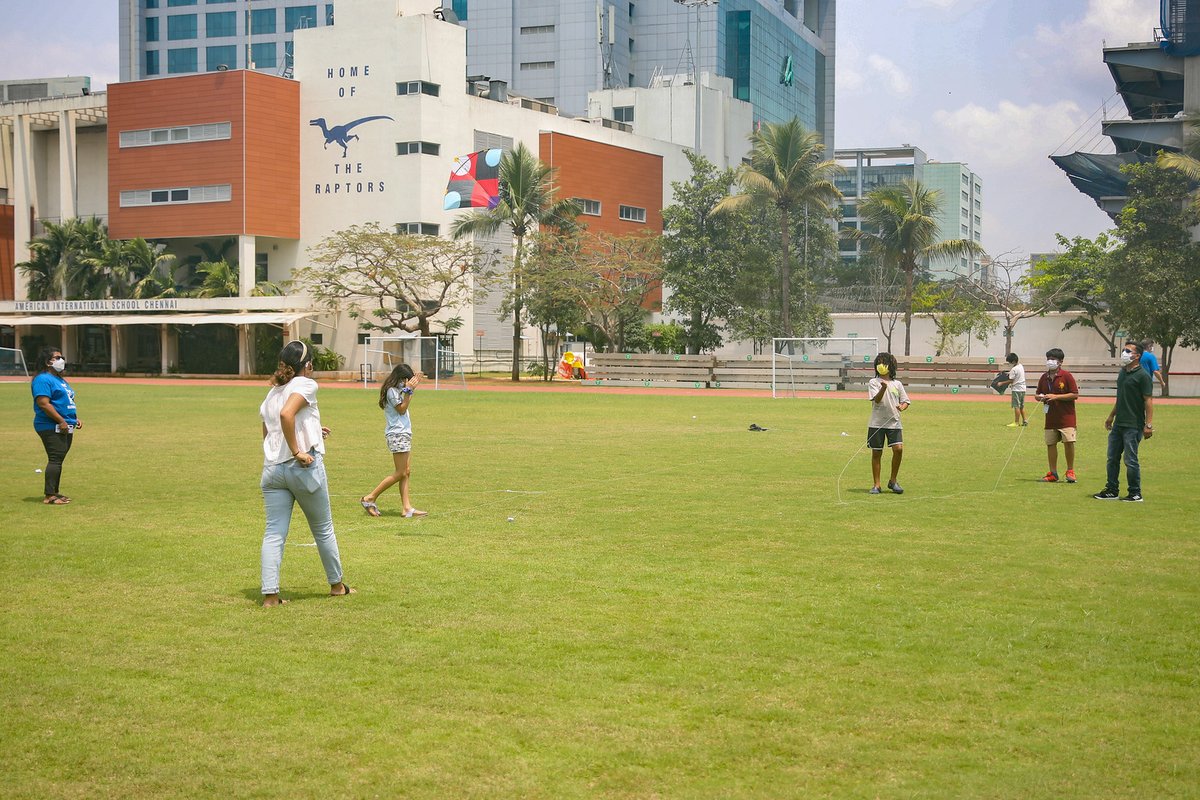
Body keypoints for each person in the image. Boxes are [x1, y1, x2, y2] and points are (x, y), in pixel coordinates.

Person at [258, 340, 353, 607]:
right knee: (323, 529)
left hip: (272, 470)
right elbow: (288, 415)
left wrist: (312, 430)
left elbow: (271, 427)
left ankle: (270, 596)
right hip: (302, 468)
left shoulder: (273, 390)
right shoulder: (306, 384)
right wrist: (298, 450)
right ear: (308, 365)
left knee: (274, 533)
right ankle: (337, 586)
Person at [360, 363, 426, 518]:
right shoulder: (392, 391)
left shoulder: (397, 390)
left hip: (403, 433)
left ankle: (407, 508)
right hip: (397, 434)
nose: (407, 383)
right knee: (400, 472)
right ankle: (369, 498)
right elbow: (401, 409)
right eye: (406, 380)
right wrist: (409, 391)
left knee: (406, 472)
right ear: (401, 378)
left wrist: (410, 387)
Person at [1094, 341, 1154, 502]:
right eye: (1124, 350)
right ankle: (1111, 490)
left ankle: (1135, 493)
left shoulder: (1143, 376)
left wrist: (1148, 425)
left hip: (1133, 425)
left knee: (1130, 460)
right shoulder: (1122, 372)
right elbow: (1121, 398)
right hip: (1119, 424)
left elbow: (1148, 401)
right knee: (1112, 458)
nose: (1124, 353)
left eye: (1128, 351)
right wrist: (1111, 416)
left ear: (1137, 356)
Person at [31, 345, 81, 505]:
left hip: (65, 424)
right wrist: (61, 420)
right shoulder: (42, 379)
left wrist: (74, 418)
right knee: (55, 458)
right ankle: (50, 495)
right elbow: (44, 403)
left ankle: (55, 493)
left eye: (62, 357)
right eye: (57, 358)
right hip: (50, 425)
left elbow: (65, 401)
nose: (61, 360)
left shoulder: (59, 379)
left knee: (58, 458)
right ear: (47, 362)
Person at [867, 352, 910, 495]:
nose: (881, 365)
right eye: (878, 362)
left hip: (894, 423)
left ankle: (893, 481)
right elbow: (877, 400)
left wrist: (902, 407)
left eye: (883, 362)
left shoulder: (897, 384)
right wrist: (883, 387)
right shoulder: (873, 382)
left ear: (890, 366)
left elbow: (905, 401)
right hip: (877, 423)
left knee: (898, 449)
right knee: (876, 453)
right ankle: (876, 485)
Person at [1034, 347, 1079, 483]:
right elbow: (1037, 394)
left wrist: (1056, 397)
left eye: (1053, 359)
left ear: (1060, 362)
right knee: (1051, 444)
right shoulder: (1044, 377)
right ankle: (1053, 473)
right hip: (1050, 417)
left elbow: (1074, 394)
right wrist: (1040, 397)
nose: (1050, 362)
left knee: (1068, 443)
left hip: (1066, 417)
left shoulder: (1066, 376)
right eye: (1048, 359)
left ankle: (1070, 471)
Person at [995, 352, 1028, 428]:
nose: (1009, 363)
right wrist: (1009, 373)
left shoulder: (1014, 369)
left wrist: (1001, 383)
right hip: (1023, 389)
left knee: (1016, 406)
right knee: (1021, 406)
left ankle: (1016, 422)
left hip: (1016, 389)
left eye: (1009, 362)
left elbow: (1011, 380)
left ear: (1013, 361)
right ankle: (1025, 420)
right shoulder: (1020, 366)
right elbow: (1016, 374)